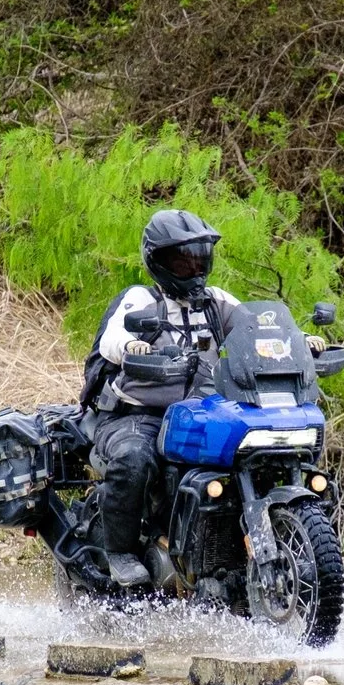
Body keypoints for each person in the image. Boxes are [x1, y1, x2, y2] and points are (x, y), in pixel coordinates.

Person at [81, 208, 238, 587]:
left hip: (203, 416)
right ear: (158, 260)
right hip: (136, 415)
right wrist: (132, 346)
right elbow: (112, 338)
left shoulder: (216, 302)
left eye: (199, 257)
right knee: (133, 458)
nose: (194, 268)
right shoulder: (140, 298)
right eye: (181, 260)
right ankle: (120, 552)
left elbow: (254, 324)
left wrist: (296, 341)